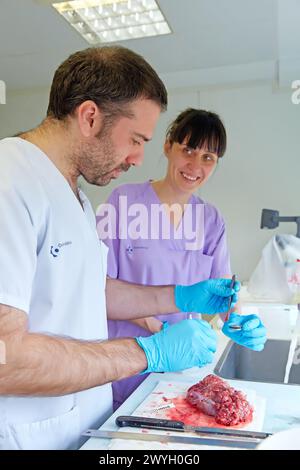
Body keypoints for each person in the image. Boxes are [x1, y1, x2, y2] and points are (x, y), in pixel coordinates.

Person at [0, 48, 240, 450]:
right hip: (29, 435)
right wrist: (146, 352)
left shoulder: (74, 196)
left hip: (85, 426)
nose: (138, 158)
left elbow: (95, 290)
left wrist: (178, 295)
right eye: (135, 139)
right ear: (90, 117)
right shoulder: (10, 182)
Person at [98, 108, 267, 410]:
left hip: (184, 374)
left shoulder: (211, 220)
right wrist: (160, 331)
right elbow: (100, 289)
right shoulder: (122, 202)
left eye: (208, 157)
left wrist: (239, 320)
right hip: (128, 366)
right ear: (168, 146)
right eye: (188, 150)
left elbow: (223, 291)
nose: (194, 165)